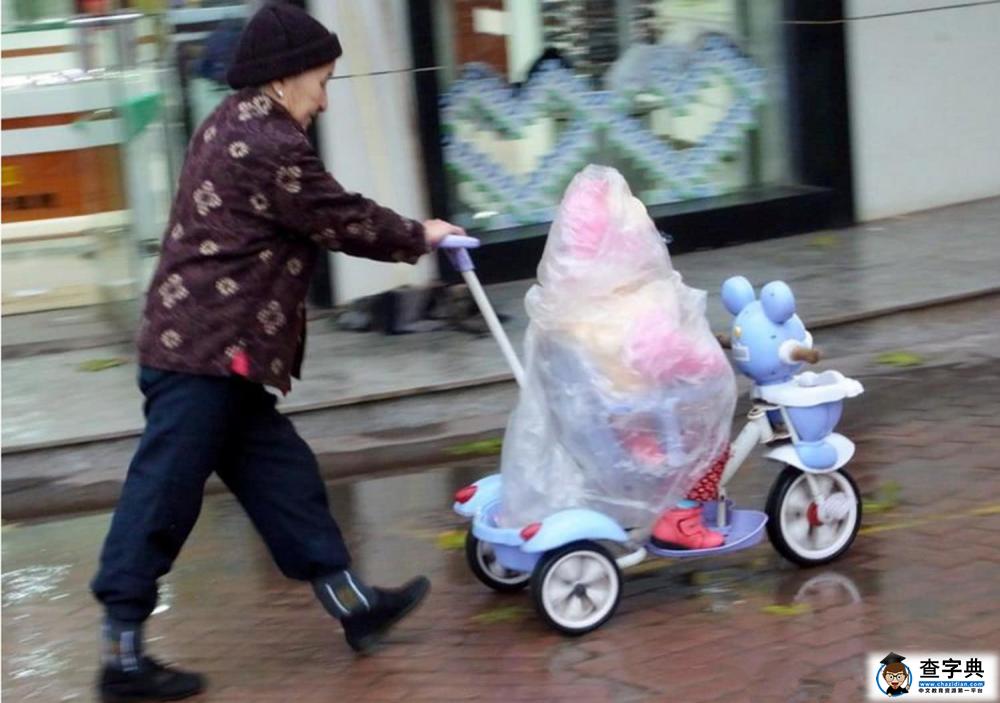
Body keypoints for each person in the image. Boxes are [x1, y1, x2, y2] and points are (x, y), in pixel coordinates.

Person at [90, 3, 464, 701]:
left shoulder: (233, 120)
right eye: (321, 81)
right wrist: (423, 234)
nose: (324, 100)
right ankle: (122, 653)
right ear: (286, 77)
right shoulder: (267, 143)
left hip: (221, 353)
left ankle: (353, 604)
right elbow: (339, 217)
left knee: (284, 479)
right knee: (163, 494)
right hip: (202, 353)